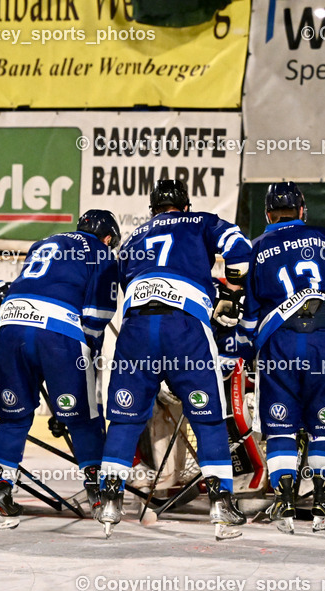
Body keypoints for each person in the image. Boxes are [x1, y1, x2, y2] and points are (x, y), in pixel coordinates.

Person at [98, 179, 253, 540]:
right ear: (185, 205)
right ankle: (221, 506)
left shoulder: (135, 237)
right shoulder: (200, 221)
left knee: (124, 421)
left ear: (153, 210)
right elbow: (240, 250)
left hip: (136, 326)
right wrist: (230, 292)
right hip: (183, 325)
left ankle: (108, 501)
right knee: (208, 418)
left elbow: (120, 283)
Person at [0, 210, 120, 530]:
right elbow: (96, 313)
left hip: (11, 325)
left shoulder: (43, 243)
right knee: (84, 417)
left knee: (14, 417)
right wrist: (89, 357)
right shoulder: (102, 252)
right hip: (57, 330)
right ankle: (98, 495)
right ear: (109, 237)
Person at [242, 182, 325, 533]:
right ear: (302, 209)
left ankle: (285, 503)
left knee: (280, 427)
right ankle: (323, 498)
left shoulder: (256, 248)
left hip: (279, 343)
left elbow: (249, 319)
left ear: (267, 214)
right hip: (324, 341)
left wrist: (249, 346)